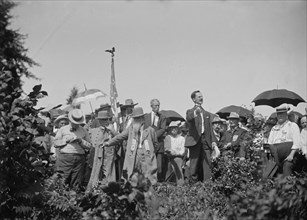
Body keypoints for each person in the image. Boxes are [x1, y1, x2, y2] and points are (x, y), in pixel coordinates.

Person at [102, 107, 158, 185]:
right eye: (136, 118)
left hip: (146, 156)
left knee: (147, 176)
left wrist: (150, 152)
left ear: (142, 118)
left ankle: (147, 192)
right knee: (132, 175)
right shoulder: (130, 130)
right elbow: (119, 137)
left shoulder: (150, 130)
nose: (137, 120)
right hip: (134, 155)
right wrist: (108, 143)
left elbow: (155, 144)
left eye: (139, 118)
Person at [53, 109, 92, 189]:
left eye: (78, 123)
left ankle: (75, 197)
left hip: (79, 158)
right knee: (63, 179)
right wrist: (65, 140)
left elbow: (89, 146)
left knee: (77, 181)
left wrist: (81, 141)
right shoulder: (63, 129)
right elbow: (55, 143)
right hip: (65, 158)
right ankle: (61, 198)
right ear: (70, 121)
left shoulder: (83, 130)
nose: (76, 125)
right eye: (74, 123)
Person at [185, 90, 217, 182]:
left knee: (207, 164)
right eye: (199, 97)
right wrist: (196, 113)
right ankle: (194, 186)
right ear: (194, 99)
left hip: (205, 141)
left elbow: (210, 129)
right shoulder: (190, 111)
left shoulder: (207, 114)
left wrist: (214, 143)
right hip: (195, 141)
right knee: (194, 165)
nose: (201, 98)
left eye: (202, 96)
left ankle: (207, 184)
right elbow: (189, 118)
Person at [268, 104, 301, 176]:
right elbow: (270, 142)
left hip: (289, 155)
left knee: (287, 169)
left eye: (282, 114)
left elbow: (297, 142)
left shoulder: (292, 125)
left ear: (286, 114)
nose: (280, 116)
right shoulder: (274, 128)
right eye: (278, 114)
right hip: (276, 156)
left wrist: (291, 155)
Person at [87, 111, 117, 189]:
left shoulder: (111, 130)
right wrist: (88, 125)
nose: (105, 122)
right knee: (96, 173)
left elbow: (119, 138)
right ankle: (94, 188)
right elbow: (87, 136)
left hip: (108, 156)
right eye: (103, 120)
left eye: (107, 119)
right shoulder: (94, 131)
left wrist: (112, 131)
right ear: (99, 121)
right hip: (98, 156)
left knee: (108, 174)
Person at [144, 99, 167, 182]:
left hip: (159, 144)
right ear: (151, 106)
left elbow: (163, 129)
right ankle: (150, 181)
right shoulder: (146, 117)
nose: (157, 107)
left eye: (158, 105)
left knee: (159, 165)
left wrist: (153, 136)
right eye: (155, 105)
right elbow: (144, 129)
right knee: (149, 164)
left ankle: (159, 182)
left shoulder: (162, 117)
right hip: (148, 145)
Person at [164, 121, 185, 185]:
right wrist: (170, 152)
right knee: (169, 171)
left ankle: (180, 185)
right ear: (170, 129)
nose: (174, 129)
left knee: (177, 162)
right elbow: (166, 149)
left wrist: (175, 152)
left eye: (175, 128)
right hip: (169, 157)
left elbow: (182, 151)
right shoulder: (168, 137)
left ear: (178, 129)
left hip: (178, 158)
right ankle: (168, 185)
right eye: (172, 128)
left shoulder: (182, 138)